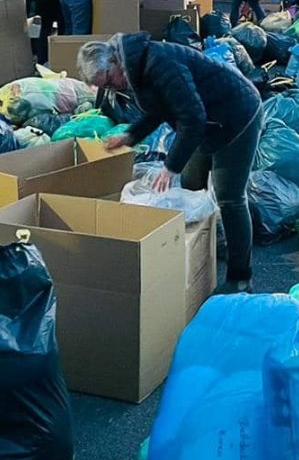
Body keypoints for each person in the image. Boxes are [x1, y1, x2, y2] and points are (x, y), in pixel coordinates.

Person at [79, 33, 262, 293]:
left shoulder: (160, 63)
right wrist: (130, 136)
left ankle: (240, 279)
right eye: (105, 87)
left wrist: (170, 166)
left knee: (230, 197)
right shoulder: (135, 68)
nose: (112, 89)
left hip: (237, 115)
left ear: (114, 61)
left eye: (109, 82)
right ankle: (205, 247)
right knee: (190, 184)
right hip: (208, 120)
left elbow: (192, 118)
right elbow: (158, 110)